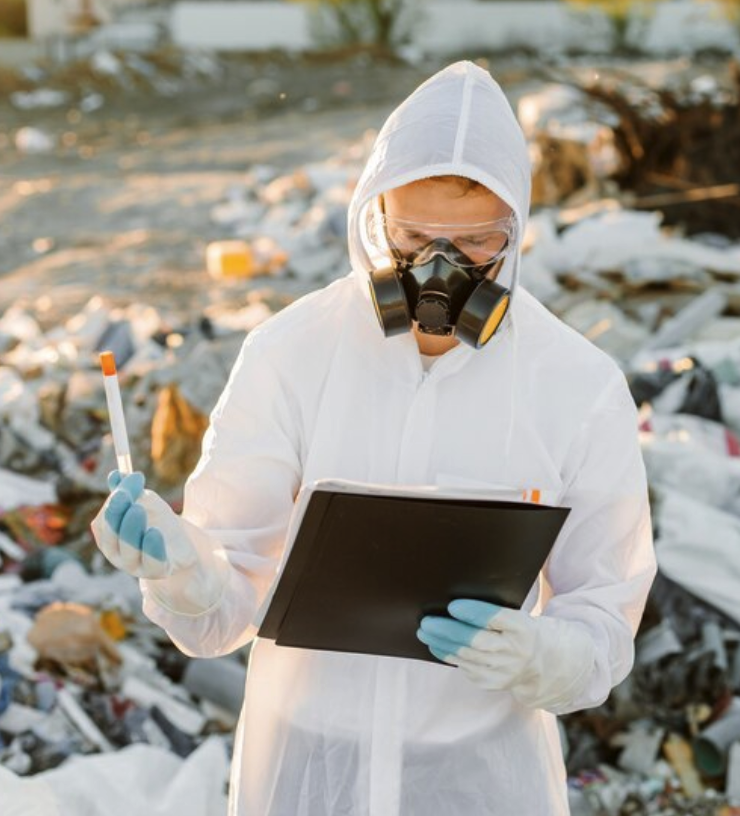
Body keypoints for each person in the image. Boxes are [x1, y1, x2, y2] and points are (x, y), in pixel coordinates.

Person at [89, 61, 656, 816]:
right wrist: (180, 565)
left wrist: (542, 655)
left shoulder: (575, 385)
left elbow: (603, 620)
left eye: (477, 242)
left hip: (478, 780)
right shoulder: (291, 352)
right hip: (306, 769)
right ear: (372, 218)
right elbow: (222, 610)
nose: (440, 267)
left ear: (517, 232)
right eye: (414, 235)